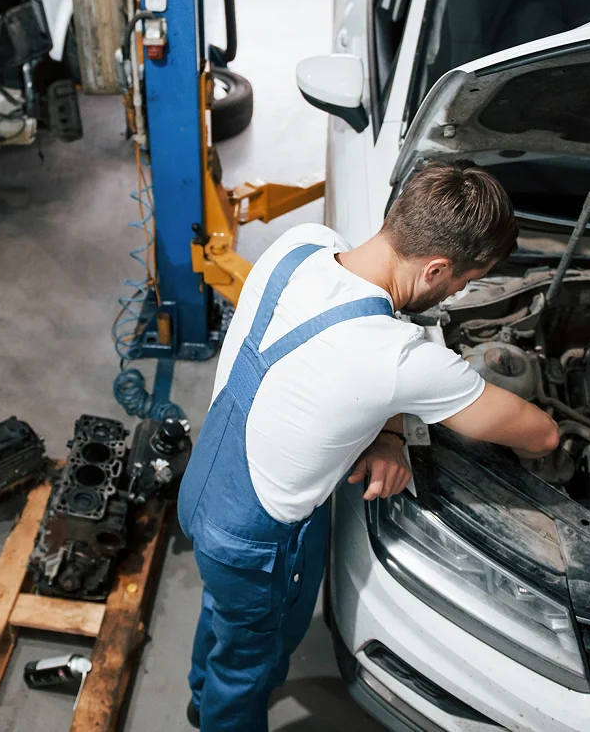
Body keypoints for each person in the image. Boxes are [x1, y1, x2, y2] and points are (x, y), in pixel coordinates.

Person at [177, 161, 560, 731]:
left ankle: (198, 695)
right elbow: (541, 434)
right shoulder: (401, 358)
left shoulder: (302, 244)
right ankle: (217, 716)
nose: (458, 293)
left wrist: (388, 432)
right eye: (464, 281)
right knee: (247, 662)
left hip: (207, 483)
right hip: (255, 540)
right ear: (436, 268)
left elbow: (366, 373)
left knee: (225, 613)